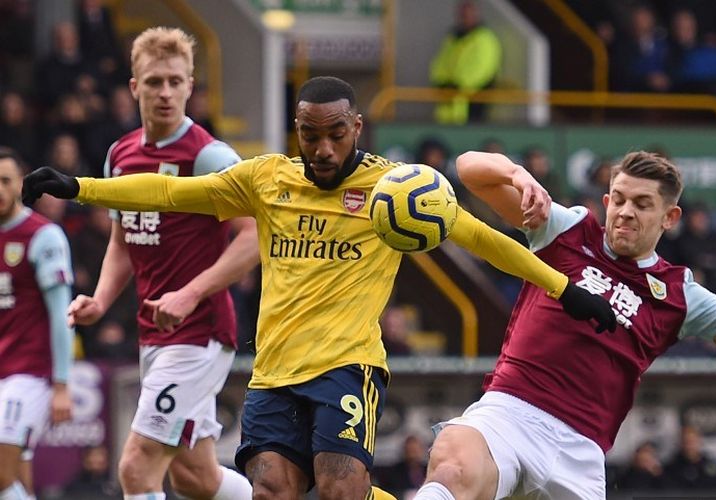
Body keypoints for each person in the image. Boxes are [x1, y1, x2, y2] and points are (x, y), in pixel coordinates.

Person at [22, 75, 615, 500]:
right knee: (273, 490)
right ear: (296, 130)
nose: (324, 148)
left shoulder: (397, 190)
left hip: (346, 366)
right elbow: (174, 195)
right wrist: (80, 187)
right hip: (274, 371)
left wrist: (564, 289)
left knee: (338, 489)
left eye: (336, 133)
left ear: (356, 126)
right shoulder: (265, 178)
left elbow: (482, 238)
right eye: (310, 134)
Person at [410, 150, 716, 499]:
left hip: (580, 452)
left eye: (643, 204)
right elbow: (469, 170)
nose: (626, 212)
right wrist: (517, 175)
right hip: (510, 412)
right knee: (453, 465)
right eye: (618, 199)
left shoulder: (679, 296)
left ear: (670, 217)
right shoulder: (567, 229)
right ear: (606, 200)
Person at [55, 27, 257, 500]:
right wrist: (101, 299)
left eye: (174, 81)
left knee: (136, 467)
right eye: (153, 82)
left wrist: (191, 292)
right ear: (133, 87)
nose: (164, 93)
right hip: (154, 334)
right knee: (196, 478)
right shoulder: (120, 155)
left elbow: (254, 238)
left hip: (200, 332)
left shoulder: (210, 157)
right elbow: (124, 240)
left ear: (190, 86)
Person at [0, 147, 74, 500]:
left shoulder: (42, 236)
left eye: (5, 181)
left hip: (29, 375)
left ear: (20, 185)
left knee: (1, 472)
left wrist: (61, 384)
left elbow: (62, 312)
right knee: (17, 481)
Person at [429, 0, 501, 124]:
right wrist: (440, 82)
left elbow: (482, 69)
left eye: (468, 14)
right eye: (462, 15)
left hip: (471, 104)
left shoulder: (484, 38)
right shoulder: (452, 38)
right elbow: (440, 63)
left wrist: (459, 85)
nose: (465, 18)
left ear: (476, 14)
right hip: (447, 107)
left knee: (469, 141)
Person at [664, 424, 716, 490]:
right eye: (686, 442)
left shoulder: (713, 465)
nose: (690, 445)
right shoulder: (671, 468)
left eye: (693, 441)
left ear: (700, 442)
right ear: (680, 444)